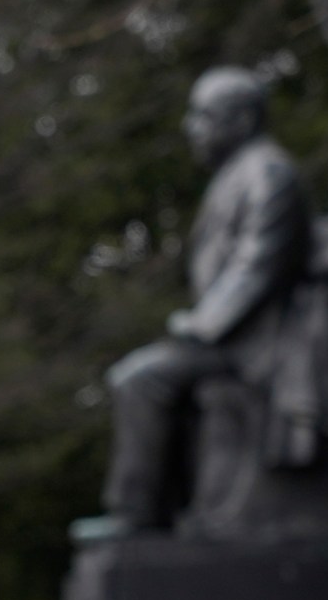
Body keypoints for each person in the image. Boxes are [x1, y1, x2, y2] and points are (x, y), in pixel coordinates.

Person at [92, 68, 315, 532]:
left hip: (262, 342)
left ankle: (137, 517)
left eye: (205, 116)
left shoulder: (268, 174)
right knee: (142, 376)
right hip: (230, 339)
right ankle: (164, 515)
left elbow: (258, 266)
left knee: (141, 380)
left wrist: (200, 327)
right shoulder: (237, 175)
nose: (193, 128)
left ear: (244, 120)